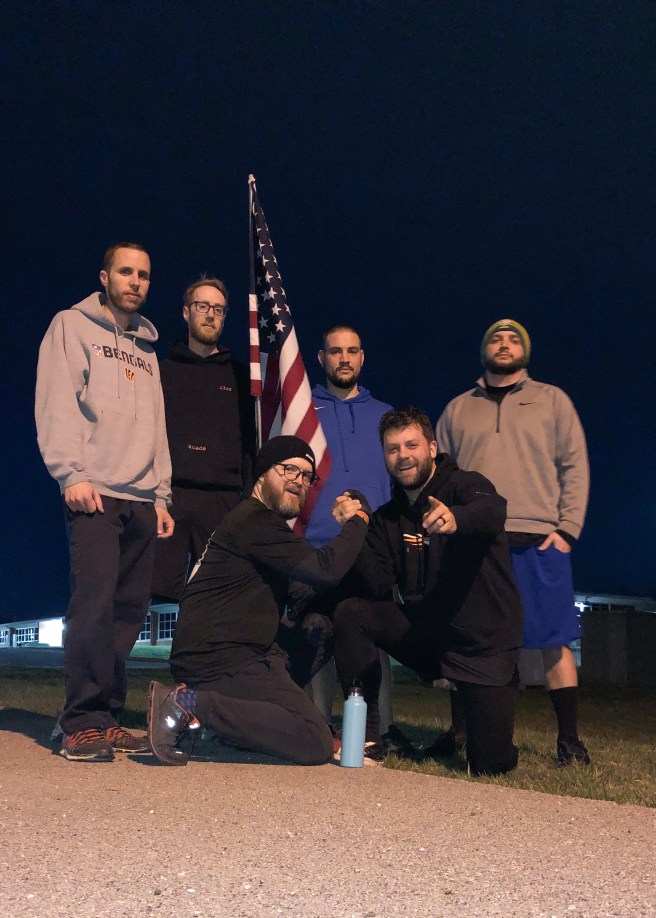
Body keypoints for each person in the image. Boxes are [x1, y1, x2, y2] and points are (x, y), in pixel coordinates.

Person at [148, 436, 371, 767]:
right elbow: (324, 569)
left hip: (236, 654)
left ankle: (239, 727)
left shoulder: (260, 527)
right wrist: (360, 519)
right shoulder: (254, 521)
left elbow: (310, 589)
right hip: (219, 660)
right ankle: (188, 704)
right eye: (289, 469)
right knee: (314, 742)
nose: (299, 480)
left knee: (321, 625)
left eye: (307, 475)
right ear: (263, 474)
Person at [35, 241, 174, 762]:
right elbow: (57, 402)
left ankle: (106, 716)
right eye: (126, 272)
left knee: (128, 611)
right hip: (94, 491)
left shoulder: (147, 349)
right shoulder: (71, 326)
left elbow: (157, 425)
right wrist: (70, 473)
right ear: (104, 276)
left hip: (141, 498)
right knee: (92, 606)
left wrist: (161, 494)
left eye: (144, 275)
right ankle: (80, 722)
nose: (135, 282)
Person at [332, 407, 523, 776]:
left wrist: (457, 518)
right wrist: (354, 530)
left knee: (489, 766)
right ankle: (369, 738)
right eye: (392, 449)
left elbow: (493, 510)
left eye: (411, 445)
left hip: (481, 646)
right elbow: (377, 583)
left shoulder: (464, 486)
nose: (402, 456)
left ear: (432, 448)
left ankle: (484, 715)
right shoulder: (388, 518)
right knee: (352, 612)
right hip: (430, 637)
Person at [435, 319, 590, 765]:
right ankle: (460, 733)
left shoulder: (553, 400)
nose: (504, 344)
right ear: (484, 350)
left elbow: (575, 466)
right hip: (475, 541)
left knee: (554, 639)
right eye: (495, 339)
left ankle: (569, 741)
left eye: (513, 339)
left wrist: (567, 530)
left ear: (525, 350)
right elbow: (441, 474)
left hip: (539, 539)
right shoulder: (457, 409)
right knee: (467, 639)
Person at [299, 325, 404, 752]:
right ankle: (316, 727)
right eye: (335, 351)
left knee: (371, 635)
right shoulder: (302, 410)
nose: (344, 358)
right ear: (321, 358)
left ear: (362, 357)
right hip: (316, 545)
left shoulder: (384, 414)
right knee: (317, 633)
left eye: (352, 351)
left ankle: (381, 730)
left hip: (371, 547)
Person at [151, 275, 255, 602]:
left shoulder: (240, 377)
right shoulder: (161, 372)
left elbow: (251, 443)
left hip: (223, 500)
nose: (210, 314)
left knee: (220, 597)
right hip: (170, 497)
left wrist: (248, 498)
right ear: (186, 312)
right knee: (157, 595)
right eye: (202, 306)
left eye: (218, 309)